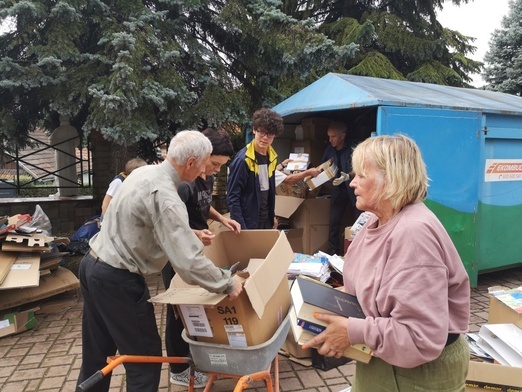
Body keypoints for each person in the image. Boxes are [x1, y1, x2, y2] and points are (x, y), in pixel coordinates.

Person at [76, 130, 243, 392]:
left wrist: (190, 232)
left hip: (92, 267)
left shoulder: (143, 173)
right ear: (190, 163)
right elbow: (188, 263)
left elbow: (143, 220)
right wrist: (226, 283)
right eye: (205, 165)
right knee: (145, 359)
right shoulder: (167, 197)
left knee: (97, 355)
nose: (206, 173)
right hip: (118, 280)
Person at [303, 134, 470, 391]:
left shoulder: (413, 234)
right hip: (388, 359)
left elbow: (420, 337)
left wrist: (352, 332)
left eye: (361, 175)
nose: (352, 183)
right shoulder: (377, 219)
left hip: (417, 373)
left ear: (389, 180)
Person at [161, 128, 241, 387]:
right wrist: (195, 235)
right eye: (215, 164)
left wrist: (221, 219)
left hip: (197, 249)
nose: (216, 170)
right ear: (202, 156)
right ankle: (177, 369)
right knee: (179, 311)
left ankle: (194, 359)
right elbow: (170, 228)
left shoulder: (205, 175)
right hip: (178, 255)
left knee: (196, 308)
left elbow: (204, 205)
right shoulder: (184, 183)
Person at [227, 108, 283, 229]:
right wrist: (241, 226)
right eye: (261, 132)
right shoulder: (243, 160)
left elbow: (269, 192)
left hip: (266, 220)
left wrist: (271, 216)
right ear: (254, 130)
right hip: (248, 222)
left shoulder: (272, 157)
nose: (265, 138)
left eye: (270, 134)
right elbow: (233, 196)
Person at [322, 120, 361, 255]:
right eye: (329, 136)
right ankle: (333, 252)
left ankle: (357, 251)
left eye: (333, 137)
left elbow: (361, 168)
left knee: (359, 220)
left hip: (354, 189)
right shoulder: (329, 150)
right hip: (338, 190)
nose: (330, 140)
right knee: (334, 222)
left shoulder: (353, 148)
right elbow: (323, 167)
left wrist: (348, 176)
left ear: (343, 135)